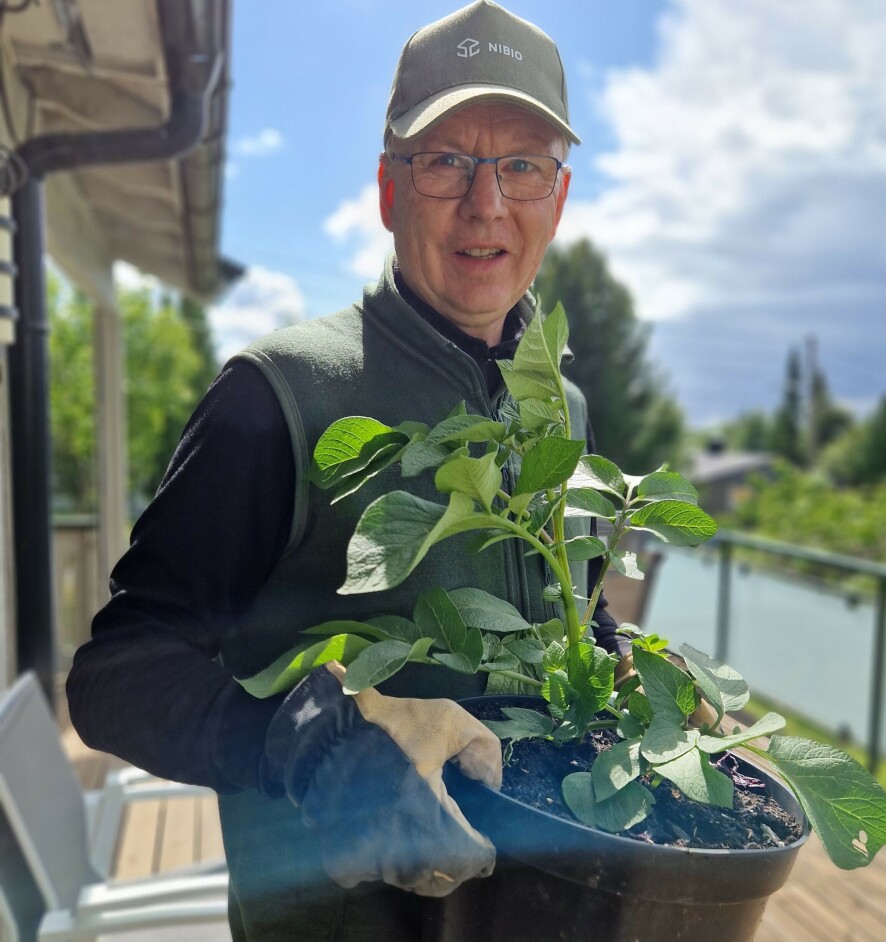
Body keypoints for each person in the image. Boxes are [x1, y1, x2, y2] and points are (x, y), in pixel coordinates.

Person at [67, 2, 631, 939]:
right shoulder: (277, 395)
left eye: (522, 165)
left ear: (557, 198)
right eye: (446, 159)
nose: (486, 203)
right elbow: (116, 676)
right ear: (388, 190)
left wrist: (622, 667)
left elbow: (572, 597)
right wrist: (317, 747)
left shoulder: (558, 408)